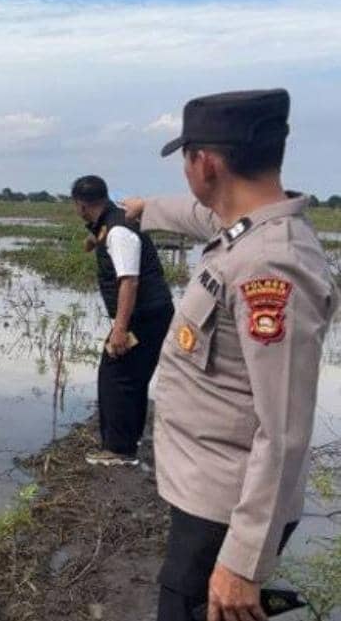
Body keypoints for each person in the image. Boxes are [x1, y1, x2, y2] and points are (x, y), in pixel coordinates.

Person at [122, 89, 338, 621]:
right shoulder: (245, 228)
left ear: (205, 162)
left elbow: (284, 430)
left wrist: (243, 562)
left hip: (226, 511)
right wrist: (142, 210)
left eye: (186, 160)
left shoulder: (272, 266)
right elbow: (199, 216)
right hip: (212, 499)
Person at [71, 175, 174, 467]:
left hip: (143, 315)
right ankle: (129, 439)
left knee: (116, 376)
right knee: (133, 376)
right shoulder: (113, 219)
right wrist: (93, 241)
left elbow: (129, 282)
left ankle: (118, 450)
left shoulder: (118, 232)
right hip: (152, 313)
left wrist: (120, 328)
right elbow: (102, 230)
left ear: (80, 205)